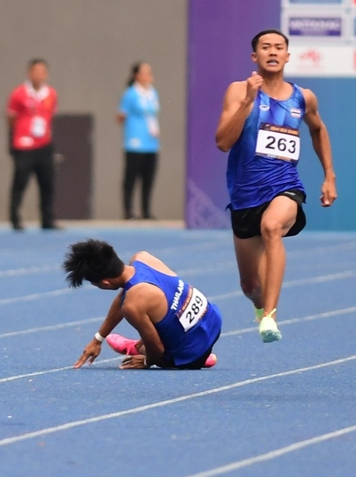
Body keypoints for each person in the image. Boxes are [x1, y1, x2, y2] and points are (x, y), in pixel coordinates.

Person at [215, 29, 337, 343]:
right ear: (254, 56)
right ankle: (260, 305)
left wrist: (329, 176)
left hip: (285, 186)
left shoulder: (303, 97)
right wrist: (247, 102)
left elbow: (318, 130)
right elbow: (223, 143)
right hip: (244, 195)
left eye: (279, 47)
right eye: (265, 47)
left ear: (287, 55)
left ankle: (270, 317)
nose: (273, 52)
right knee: (250, 287)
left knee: (272, 227)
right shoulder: (238, 91)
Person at [66, 239, 221, 369]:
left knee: (147, 348)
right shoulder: (142, 258)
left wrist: (146, 361)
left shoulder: (132, 305)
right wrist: (98, 339)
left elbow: (157, 349)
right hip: (212, 321)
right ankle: (201, 351)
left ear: (106, 283)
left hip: (191, 354)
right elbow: (124, 296)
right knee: (160, 311)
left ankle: (135, 347)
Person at [6, 58, 57, 230]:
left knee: (47, 183)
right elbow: (11, 118)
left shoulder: (50, 94)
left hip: (44, 144)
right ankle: (15, 218)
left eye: (42, 71)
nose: (39, 75)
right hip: (24, 146)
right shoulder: (19, 93)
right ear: (29, 73)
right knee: (20, 182)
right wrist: (19, 136)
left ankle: (47, 219)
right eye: (35, 71)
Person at [117, 62, 160, 220]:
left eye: (150, 72)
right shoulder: (131, 94)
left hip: (151, 142)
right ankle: (128, 210)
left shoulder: (153, 93)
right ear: (137, 75)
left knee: (148, 178)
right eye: (145, 72)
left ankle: (146, 210)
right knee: (131, 177)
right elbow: (121, 115)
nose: (149, 75)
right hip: (135, 143)